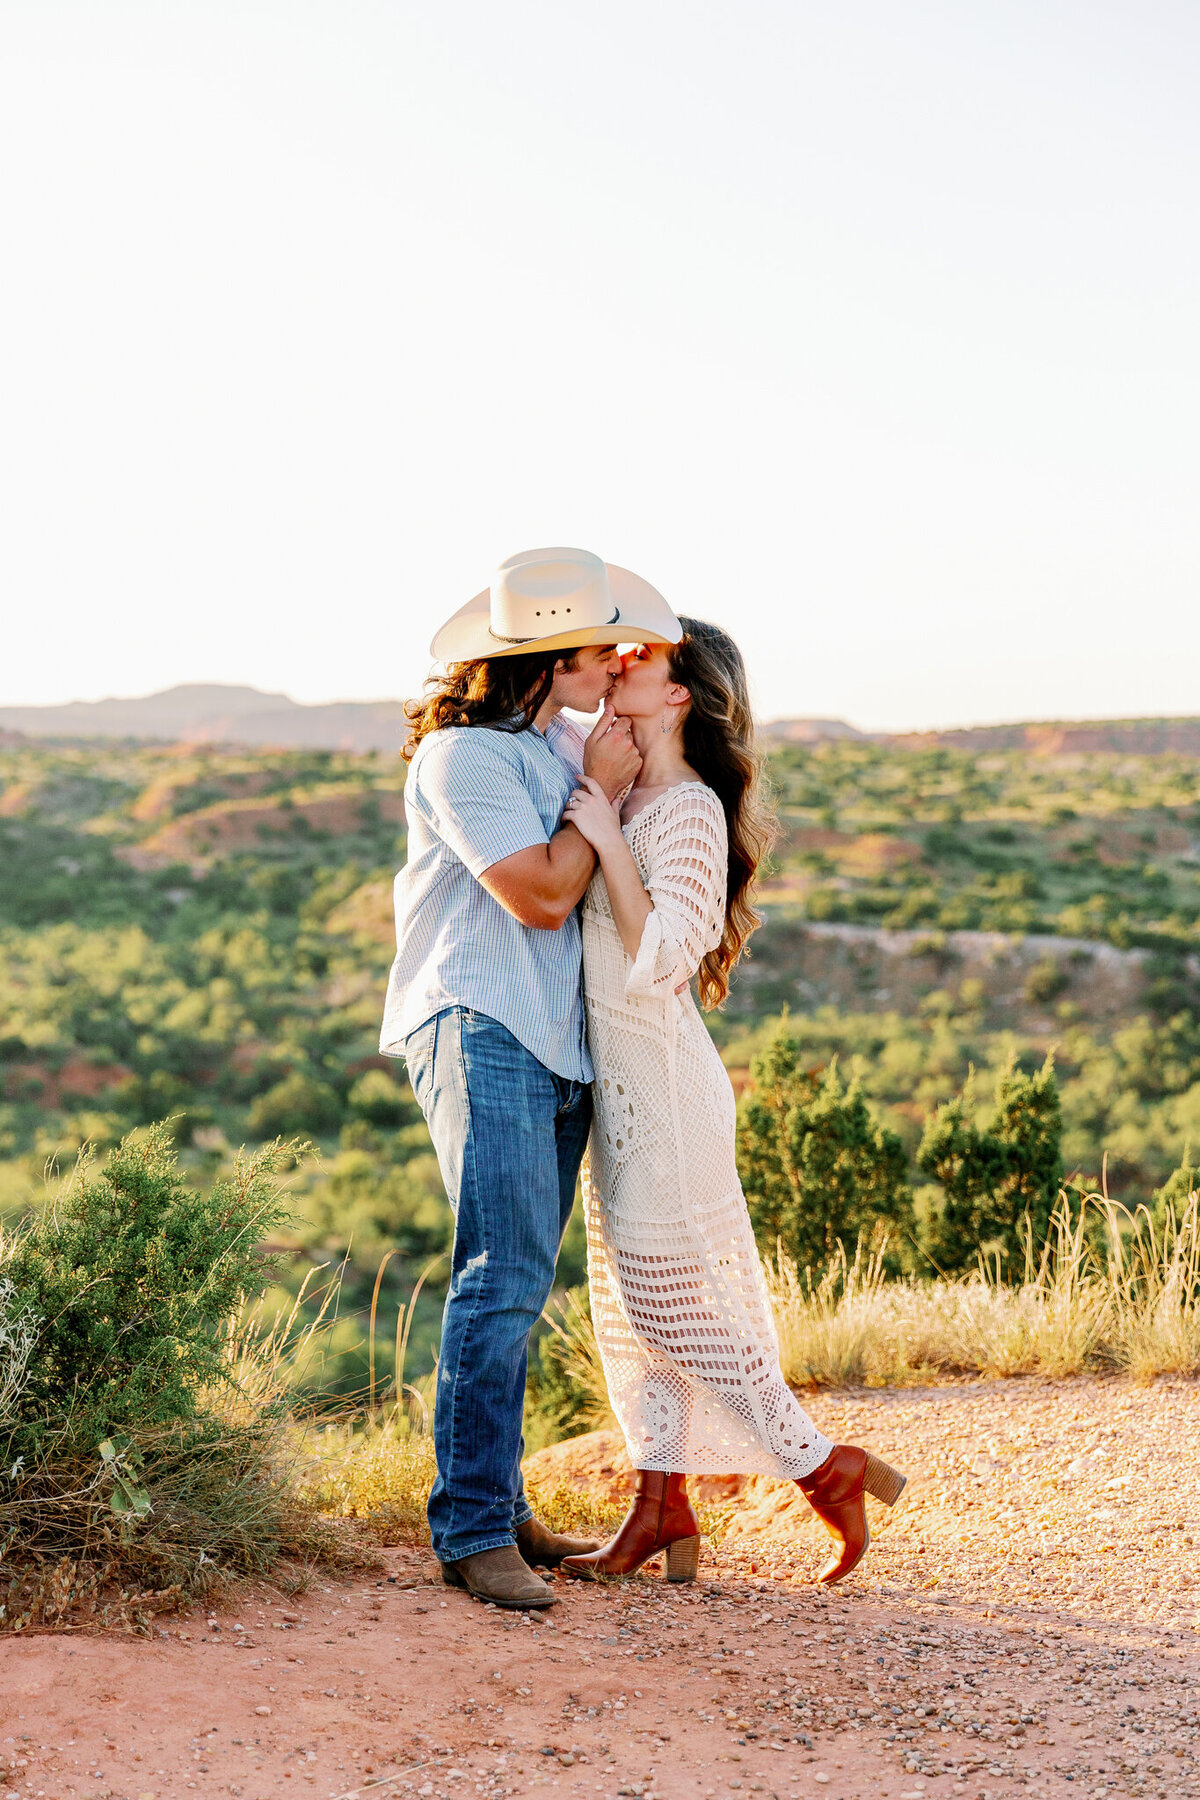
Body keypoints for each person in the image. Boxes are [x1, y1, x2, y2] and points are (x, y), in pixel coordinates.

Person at [557, 620, 907, 1586]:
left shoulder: (691, 809)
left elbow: (665, 958)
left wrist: (601, 834)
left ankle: (820, 1464)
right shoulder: (634, 793)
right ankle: (660, 1507)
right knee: (632, 1313)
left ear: (679, 696)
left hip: (665, 1091)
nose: (619, 665)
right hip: (624, 1088)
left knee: (666, 1308)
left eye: (642, 660)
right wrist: (606, 808)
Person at [380, 546, 684, 1610]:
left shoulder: (553, 744)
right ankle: (469, 1530)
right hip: (483, 1024)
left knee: (518, 1280)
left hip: (557, 1040)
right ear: (555, 659)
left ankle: (499, 1507)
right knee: (498, 1277)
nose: (619, 659)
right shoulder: (465, 759)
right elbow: (541, 897)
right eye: (604, 646)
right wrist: (591, 795)